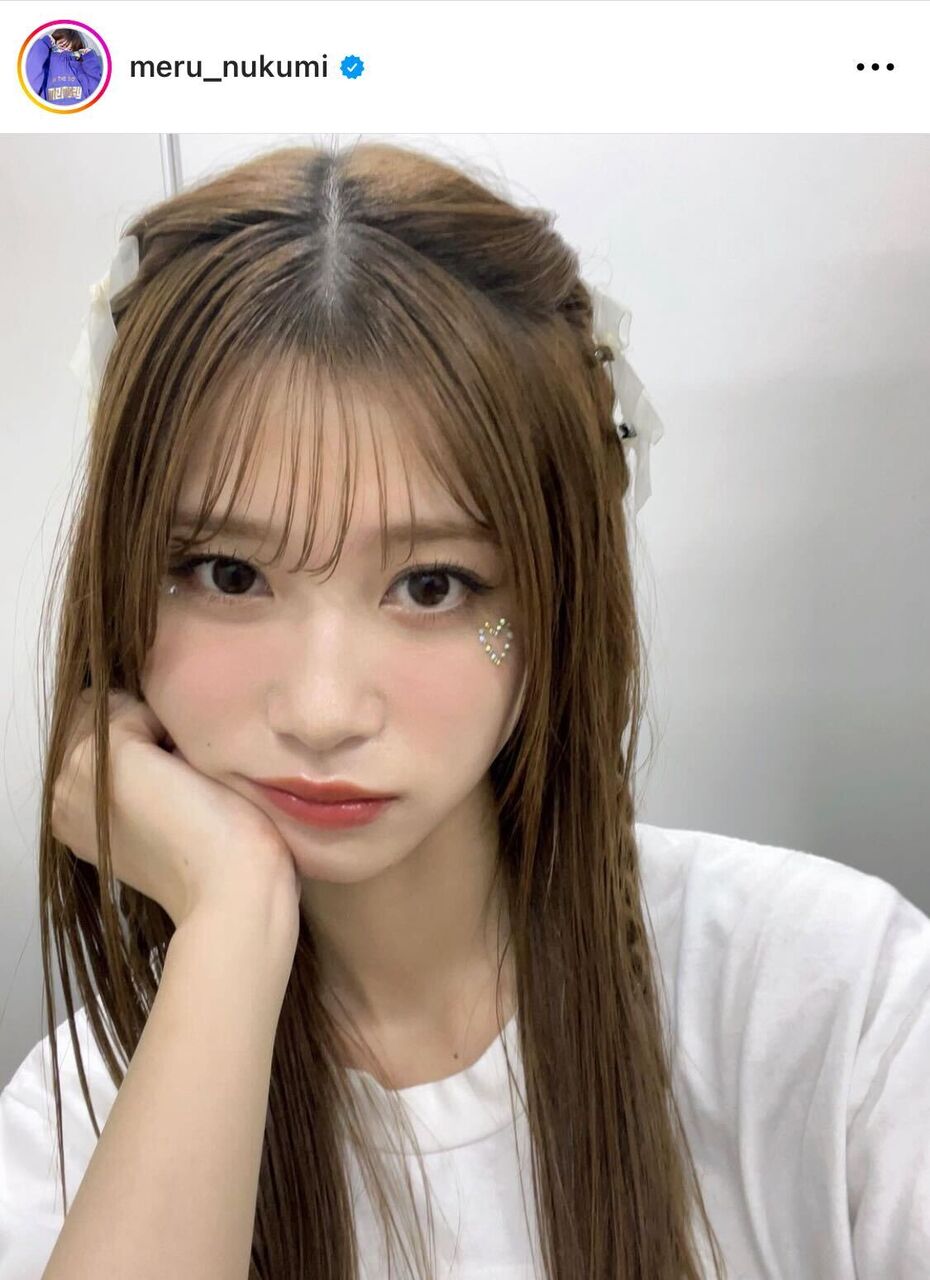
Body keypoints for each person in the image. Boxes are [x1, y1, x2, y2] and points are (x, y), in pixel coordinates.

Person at [1, 140, 928, 1279]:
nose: (324, 709)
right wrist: (234, 918)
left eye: (435, 585)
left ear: (545, 603)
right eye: (227, 574)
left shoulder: (830, 1004)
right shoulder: (77, 1125)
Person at [25, 29, 103, 105]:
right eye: (62, 46)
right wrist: (44, 43)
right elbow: (32, 75)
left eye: (71, 50)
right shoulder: (46, 65)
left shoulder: (80, 66)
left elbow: (95, 89)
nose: (65, 51)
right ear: (53, 43)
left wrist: (89, 57)